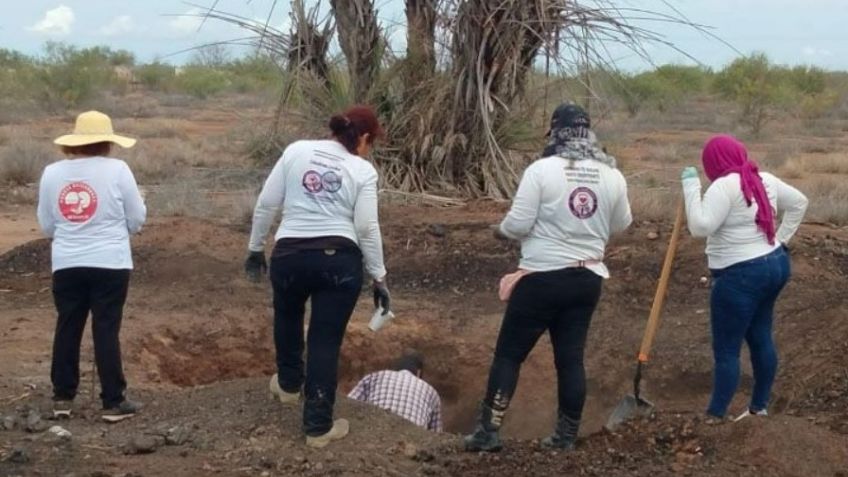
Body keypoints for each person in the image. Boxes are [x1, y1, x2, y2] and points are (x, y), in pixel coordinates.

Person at [463, 103, 632, 452]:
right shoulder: (612, 174)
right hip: (587, 278)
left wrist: (501, 230)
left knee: (509, 355)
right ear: (588, 134)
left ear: (556, 132)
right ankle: (565, 437)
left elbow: (519, 223)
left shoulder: (542, 170)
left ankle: (488, 432)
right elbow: (621, 224)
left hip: (542, 277)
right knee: (570, 359)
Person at [245, 105, 391, 448]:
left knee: (288, 315)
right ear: (364, 138)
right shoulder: (362, 171)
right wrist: (379, 278)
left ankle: (288, 385)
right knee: (325, 341)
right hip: (338, 263)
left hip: (289, 256)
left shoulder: (296, 151)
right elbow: (367, 228)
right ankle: (317, 426)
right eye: (372, 143)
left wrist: (255, 249)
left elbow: (267, 203)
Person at [680, 135, 808, 422]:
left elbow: (700, 227)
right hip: (775, 265)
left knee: (727, 349)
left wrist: (690, 187)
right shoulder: (764, 178)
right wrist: (781, 240)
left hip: (740, 277)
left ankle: (714, 416)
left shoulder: (723, 187)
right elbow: (800, 202)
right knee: (761, 336)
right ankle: (758, 408)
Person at [37, 110, 146, 422]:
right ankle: (113, 400)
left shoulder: (52, 173)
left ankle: (62, 397)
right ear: (107, 142)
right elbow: (136, 218)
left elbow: (47, 225)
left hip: (67, 262)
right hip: (110, 262)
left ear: (75, 141)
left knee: (68, 325)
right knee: (106, 328)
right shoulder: (118, 170)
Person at [348, 351, 442, 432]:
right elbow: (437, 436)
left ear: (395, 369)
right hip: (411, 445)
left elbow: (347, 404)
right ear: (418, 372)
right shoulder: (432, 393)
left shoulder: (375, 376)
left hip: (373, 434)